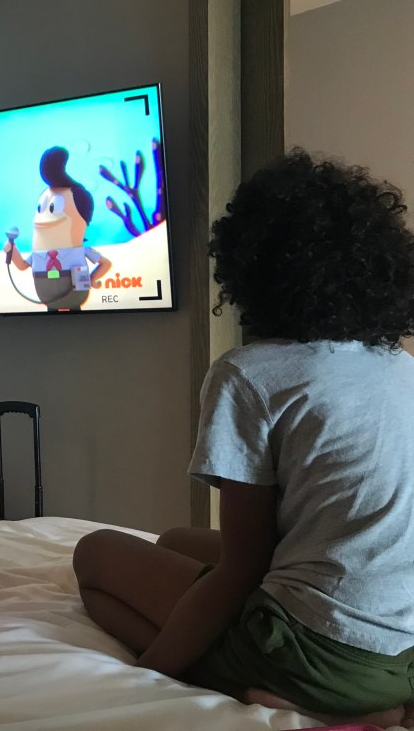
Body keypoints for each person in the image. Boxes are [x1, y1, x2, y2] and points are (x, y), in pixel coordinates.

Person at [72, 149, 414, 726]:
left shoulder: (251, 374)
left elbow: (244, 567)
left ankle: (256, 684)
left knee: (95, 553)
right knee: (176, 538)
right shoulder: (399, 366)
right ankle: (377, 700)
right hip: (403, 652)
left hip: (319, 654)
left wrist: (150, 677)